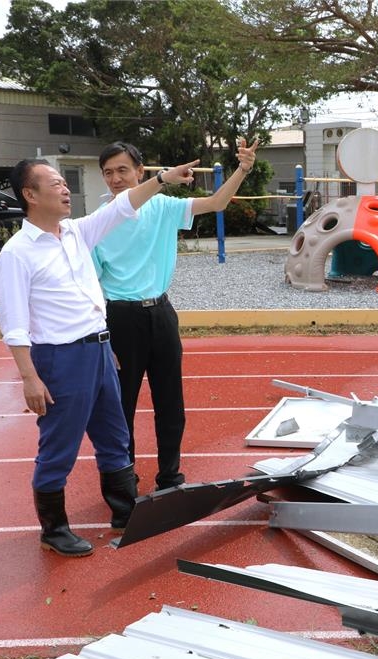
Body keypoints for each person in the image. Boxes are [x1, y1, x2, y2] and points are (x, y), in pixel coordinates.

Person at [0, 157, 200, 557]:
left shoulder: (75, 233)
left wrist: (161, 179)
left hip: (101, 351)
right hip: (59, 359)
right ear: (30, 195)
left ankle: (125, 512)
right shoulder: (17, 254)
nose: (65, 188)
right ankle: (54, 529)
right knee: (60, 444)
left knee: (115, 437)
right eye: (54, 183)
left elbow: (124, 206)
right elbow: (14, 323)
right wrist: (30, 378)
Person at [92, 138, 259, 491]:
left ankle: (170, 477)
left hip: (161, 314)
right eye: (108, 173)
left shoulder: (164, 207)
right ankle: (125, 479)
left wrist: (243, 168)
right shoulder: (99, 221)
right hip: (120, 319)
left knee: (171, 402)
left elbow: (217, 202)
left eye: (123, 170)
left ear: (141, 171)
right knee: (120, 406)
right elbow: (90, 286)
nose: (116, 179)